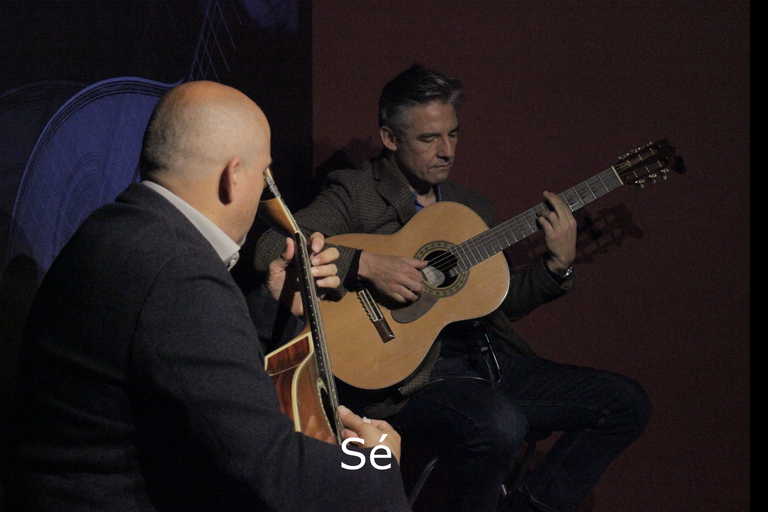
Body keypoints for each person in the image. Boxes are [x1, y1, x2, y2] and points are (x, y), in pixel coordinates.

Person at [254, 64, 652, 512]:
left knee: (626, 403)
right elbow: (275, 245)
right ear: (390, 138)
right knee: (501, 423)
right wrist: (366, 264)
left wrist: (556, 266)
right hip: (406, 381)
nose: (446, 151)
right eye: (429, 139)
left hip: (488, 365)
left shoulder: (470, 208)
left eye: (454, 135)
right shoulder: (357, 193)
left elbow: (495, 304)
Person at [5, 81, 411, 512]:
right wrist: (375, 463)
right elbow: (272, 473)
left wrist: (270, 304)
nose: (266, 193)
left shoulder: (115, 229)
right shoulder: (177, 269)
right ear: (233, 176)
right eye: (264, 174)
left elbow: (181, 374)